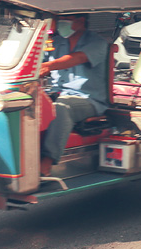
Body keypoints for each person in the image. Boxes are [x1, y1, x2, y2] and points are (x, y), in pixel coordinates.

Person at [39, 15, 110, 176]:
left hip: (88, 99)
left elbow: (77, 58)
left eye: (65, 18)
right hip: (56, 93)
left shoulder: (97, 42)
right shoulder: (56, 42)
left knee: (62, 108)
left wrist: (47, 66)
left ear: (81, 20)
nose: (60, 22)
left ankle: (47, 161)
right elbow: (36, 59)